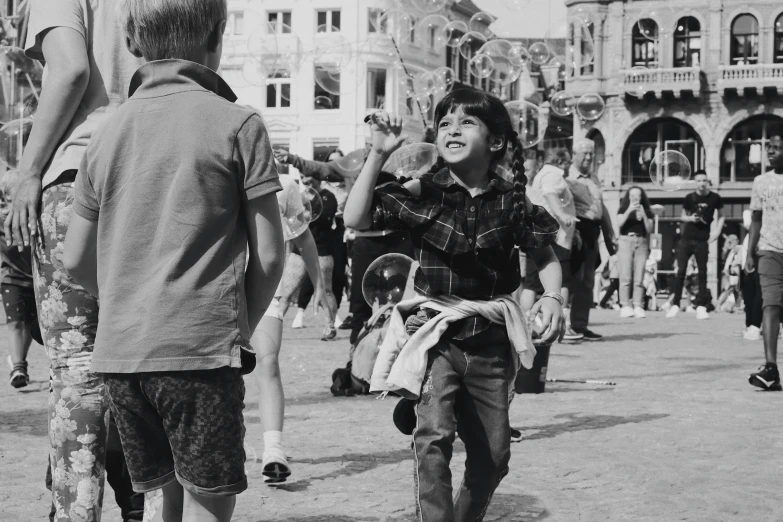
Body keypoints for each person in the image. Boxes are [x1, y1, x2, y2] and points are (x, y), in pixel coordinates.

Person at [61, 1, 286, 520]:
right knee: (209, 504)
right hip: (199, 351)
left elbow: (75, 258)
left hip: (122, 357)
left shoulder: (106, 134)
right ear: (217, 34)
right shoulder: (238, 123)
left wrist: (123, 301)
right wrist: (239, 326)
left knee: (164, 497)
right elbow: (271, 255)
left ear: (132, 43)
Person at [344, 89, 564, 522]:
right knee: (433, 439)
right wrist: (377, 153)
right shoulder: (422, 190)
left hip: (490, 340)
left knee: (494, 456)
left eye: (466, 122)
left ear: (496, 142)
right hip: (436, 333)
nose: (452, 129)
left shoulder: (512, 198)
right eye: (445, 123)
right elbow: (356, 218)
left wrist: (553, 296)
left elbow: (545, 256)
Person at [4, 0, 143, 519]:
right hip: (158, 177)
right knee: (147, 364)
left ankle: (77, 511)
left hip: (79, 181)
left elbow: (70, 68)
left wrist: (29, 171)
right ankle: (145, 504)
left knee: (78, 367)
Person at [252, 173, 328, 483]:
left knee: (268, 361)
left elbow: (304, 237)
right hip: (217, 288)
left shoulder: (284, 183)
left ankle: (274, 449)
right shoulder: (216, 168)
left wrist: (319, 285)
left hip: (263, 289)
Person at [521, 148, 582, 338]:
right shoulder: (553, 174)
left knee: (531, 284)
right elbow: (550, 195)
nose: (568, 167)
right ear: (561, 162)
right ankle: (562, 324)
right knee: (562, 281)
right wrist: (564, 216)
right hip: (556, 236)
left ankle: (525, 325)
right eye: (567, 163)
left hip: (539, 233)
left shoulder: (541, 174)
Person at [566, 139, 617, 340]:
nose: (588, 158)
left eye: (591, 154)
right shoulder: (566, 175)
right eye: (584, 154)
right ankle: (558, 323)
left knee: (587, 282)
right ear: (574, 155)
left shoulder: (594, 177)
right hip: (575, 229)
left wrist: (610, 233)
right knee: (569, 279)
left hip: (592, 231)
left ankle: (580, 325)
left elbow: (601, 209)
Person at [278, 175, 339, 340]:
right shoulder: (297, 194)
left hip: (322, 250)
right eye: (304, 177)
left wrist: (305, 210)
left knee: (325, 290)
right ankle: (275, 325)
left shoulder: (328, 196)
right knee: (286, 291)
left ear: (318, 178)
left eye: (310, 178)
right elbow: (292, 221)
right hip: (298, 252)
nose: (307, 181)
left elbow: (324, 218)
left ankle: (330, 326)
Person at [293, 148, 349, 329]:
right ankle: (300, 311)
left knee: (335, 278)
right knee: (306, 277)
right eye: (332, 161)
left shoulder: (349, 183)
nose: (336, 165)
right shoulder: (317, 190)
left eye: (339, 161)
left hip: (340, 233)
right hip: (319, 234)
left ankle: (332, 318)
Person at [746, 134, 783, 391]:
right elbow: (756, 220)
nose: (772, 151)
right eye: (769, 147)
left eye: (778, 148)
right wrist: (750, 252)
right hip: (769, 250)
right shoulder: (761, 181)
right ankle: (771, 369)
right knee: (770, 305)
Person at [665, 170, 724, 320]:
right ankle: (676, 304)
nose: (701, 183)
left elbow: (722, 216)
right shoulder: (689, 198)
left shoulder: (715, 198)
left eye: (704, 180)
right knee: (681, 272)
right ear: (695, 182)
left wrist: (716, 233)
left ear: (708, 181)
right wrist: (691, 218)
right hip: (686, 239)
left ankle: (702, 306)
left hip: (703, 240)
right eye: (698, 181)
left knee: (703, 273)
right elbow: (682, 216)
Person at [0, 169, 36, 388]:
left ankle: (19, 360)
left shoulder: (34, 214)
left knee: (30, 325)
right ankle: (18, 367)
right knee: (15, 323)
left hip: (35, 278)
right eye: (8, 196)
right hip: (10, 278)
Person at [617, 186, 654, 318]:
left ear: (641, 197)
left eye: (637, 195)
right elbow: (619, 223)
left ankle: (638, 305)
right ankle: (625, 305)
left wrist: (643, 214)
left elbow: (650, 229)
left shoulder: (648, 211)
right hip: (626, 241)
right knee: (625, 275)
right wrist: (629, 210)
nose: (635, 198)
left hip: (642, 241)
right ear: (628, 197)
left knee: (639, 276)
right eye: (632, 195)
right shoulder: (623, 208)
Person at [740, 209, 762, 341]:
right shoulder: (750, 212)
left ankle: (755, 325)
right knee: (749, 293)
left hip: (767, 253)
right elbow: (750, 222)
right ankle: (750, 324)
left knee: (762, 293)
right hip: (750, 256)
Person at [717, 234, 741, 312]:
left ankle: (738, 306)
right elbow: (727, 260)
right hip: (731, 272)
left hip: (733, 271)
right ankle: (719, 305)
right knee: (729, 289)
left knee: (736, 290)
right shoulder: (730, 249)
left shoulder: (737, 248)